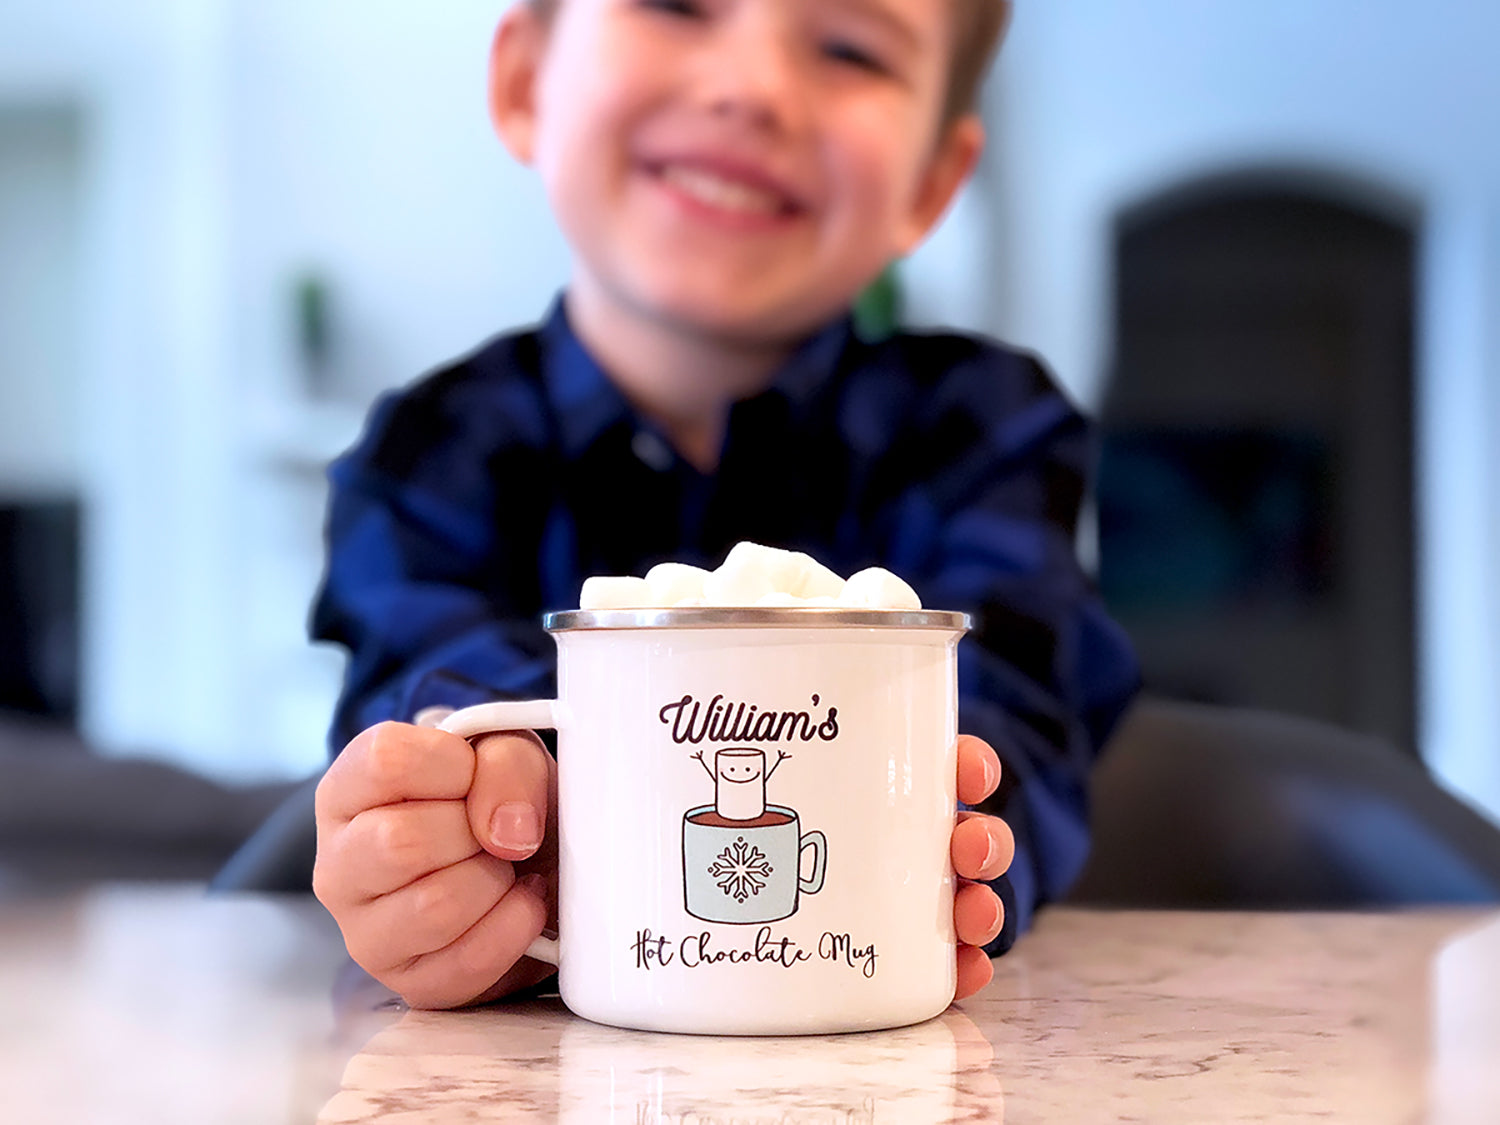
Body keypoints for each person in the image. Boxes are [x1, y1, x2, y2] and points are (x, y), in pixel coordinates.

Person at [311, 0, 1139, 1011]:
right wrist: (474, 809)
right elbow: (420, 674)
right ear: (526, 79)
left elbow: (1018, 703)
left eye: (849, 48)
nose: (753, 88)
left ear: (929, 183)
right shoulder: (424, 453)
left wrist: (959, 838)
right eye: (676, 5)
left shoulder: (988, 428)